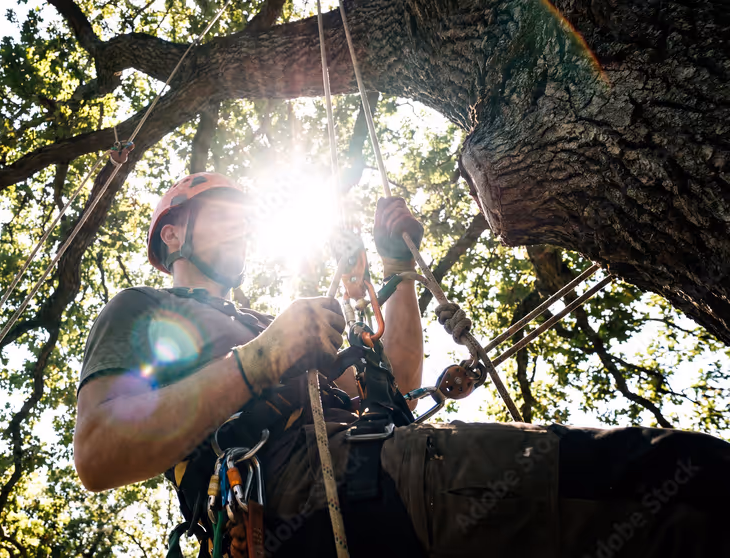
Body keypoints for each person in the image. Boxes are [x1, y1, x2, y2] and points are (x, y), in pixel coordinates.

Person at [75, 172, 730, 557]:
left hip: (378, 480)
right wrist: (261, 359)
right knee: (679, 483)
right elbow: (99, 453)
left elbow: (395, 385)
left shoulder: (263, 325)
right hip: (310, 502)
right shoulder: (141, 310)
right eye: (229, 214)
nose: (247, 228)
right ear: (173, 232)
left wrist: (395, 271)